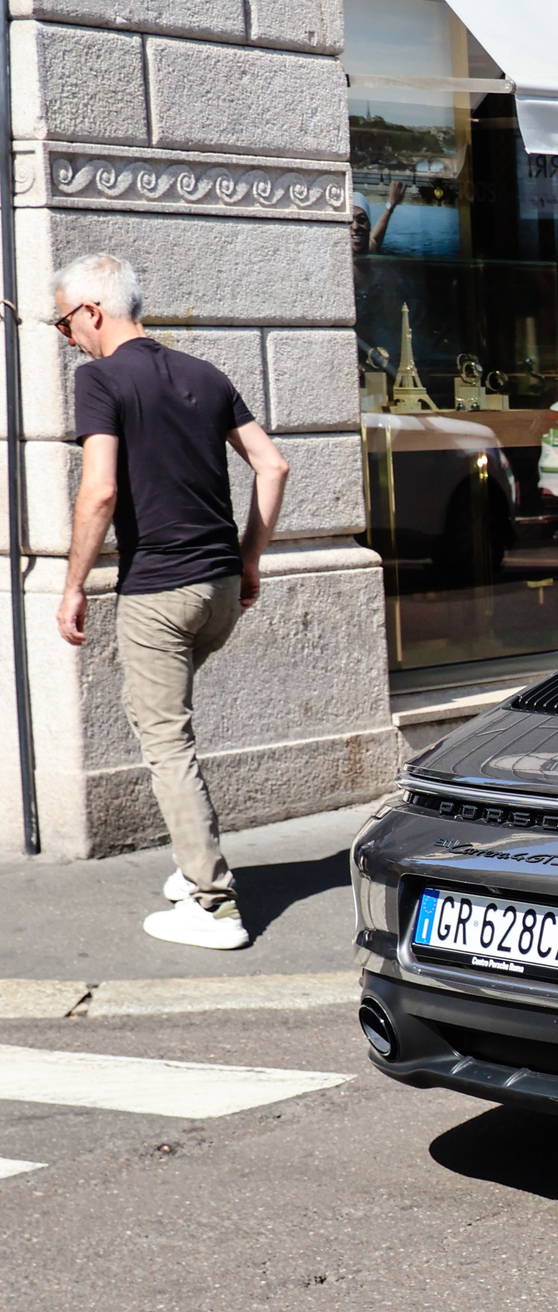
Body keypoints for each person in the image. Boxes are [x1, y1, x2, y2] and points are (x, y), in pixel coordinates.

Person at [51, 254, 291, 951]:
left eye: (66, 322)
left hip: (159, 589)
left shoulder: (97, 377)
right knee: (160, 720)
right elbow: (272, 464)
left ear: (93, 311)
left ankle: (213, 903)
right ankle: (194, 871)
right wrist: (249, 560)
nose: (68, 337)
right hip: (218, 588)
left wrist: (72, 585)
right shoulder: (205, 375)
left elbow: (99, 491)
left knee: (166, 743)